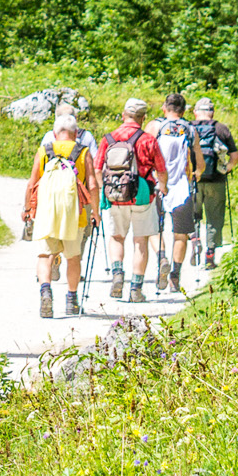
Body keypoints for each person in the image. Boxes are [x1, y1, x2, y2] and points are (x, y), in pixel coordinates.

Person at [24, 115, 99, 318]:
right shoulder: (83, 152)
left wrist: (27, 209)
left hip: (46, 212)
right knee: (73, 257)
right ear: (76, 134)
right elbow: (92, 184)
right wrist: (96, 212)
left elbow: (32, 183)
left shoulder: (44, 150)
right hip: (75, 214)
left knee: (45, 255)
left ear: (55, 134)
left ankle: (46, 292)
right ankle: (72, 301)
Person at [98, 99, 168, 304]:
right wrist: (163, 186)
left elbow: (97, 167)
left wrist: (106, 191)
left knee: (117, 237)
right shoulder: (148, 139)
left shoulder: (108, 138)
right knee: (141, 241)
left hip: (115, 195)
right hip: (142, 194)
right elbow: (161, 170)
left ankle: (117, 273)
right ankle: (136, 289)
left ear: (123, 115)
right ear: (143, 118)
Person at [145, 94, 202, 293]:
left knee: (153, 229)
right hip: (182, 188)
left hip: (157, 184)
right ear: (184, 111)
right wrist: (197, 174)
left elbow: (144, 154)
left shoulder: (154, 127)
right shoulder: (190, 129)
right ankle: (175, 278)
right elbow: (199, 163)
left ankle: (162, 258)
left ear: (164, 108)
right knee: (181, 234)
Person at [192, 97, 238, 268]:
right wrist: (225, 169)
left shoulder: (188, 127)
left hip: (193, 180)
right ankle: (210, 255)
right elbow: (234, 156)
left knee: (193, 213)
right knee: (214, 218)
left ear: (195, 112)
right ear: (212, 112)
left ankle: (195, 239)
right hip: (216, 180)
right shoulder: (221, 128)